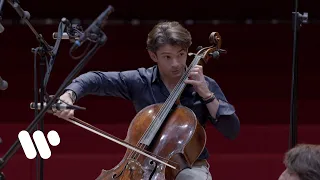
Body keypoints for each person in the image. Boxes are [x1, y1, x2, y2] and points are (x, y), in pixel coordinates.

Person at [54, 21, 240, 180]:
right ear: (153, 56)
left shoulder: (204, 84)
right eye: (167, 57)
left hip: (188, 168)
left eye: (181, 54)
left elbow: (232, 130)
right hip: (141, 167)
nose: (176, 63)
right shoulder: (140, 81)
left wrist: (206, 94)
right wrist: (69, 94)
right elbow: (95, 79)